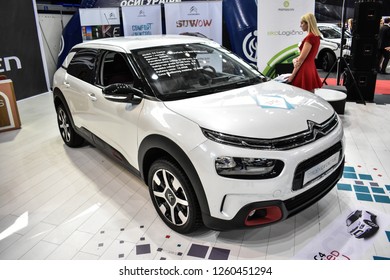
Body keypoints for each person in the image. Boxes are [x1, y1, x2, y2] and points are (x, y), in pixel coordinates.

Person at [287, 13, 322, 92]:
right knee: (310, 96)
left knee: (302, 96)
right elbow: (306, 56)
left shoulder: (310, 37)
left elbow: (301, 60)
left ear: (308, 23)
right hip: (310, 67)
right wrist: (294, 60)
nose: (300, 25)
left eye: (302, 23)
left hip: (304, 69)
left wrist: (292, 75)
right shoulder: (316, 37)